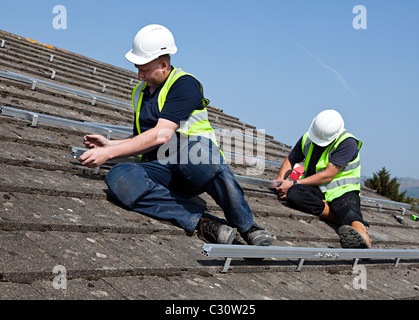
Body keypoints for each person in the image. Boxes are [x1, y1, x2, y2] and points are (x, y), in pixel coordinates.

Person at [79, 24, 273, 246]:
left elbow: (161, 135)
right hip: (163, 171)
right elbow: (145, 138)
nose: (139, 75)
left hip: (196, 165)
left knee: (196, 153)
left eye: (144, 69)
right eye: (137, 68)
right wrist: (109, 144)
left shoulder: (184, 84)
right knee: (119, 176)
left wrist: (110, 152)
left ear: (163, 64)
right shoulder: (139, 93)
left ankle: (247, 226)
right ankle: (205, 222)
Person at [274, 109, 371, 248]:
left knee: (349, 211)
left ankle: (361, 234)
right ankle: (340, 218)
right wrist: (280, 182)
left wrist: (293, 182)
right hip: (315, 187)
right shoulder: (307, 138)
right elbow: (290, 160)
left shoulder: (347, 143)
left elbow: (328, 175)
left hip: (342, 190)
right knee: (294, 194)